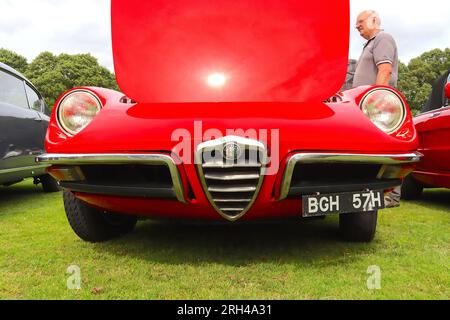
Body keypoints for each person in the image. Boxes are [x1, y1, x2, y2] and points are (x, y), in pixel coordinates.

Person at [353, 10, 399, 88]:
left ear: (374, 20)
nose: (357, 26)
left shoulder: (382, 37)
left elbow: (385, 71)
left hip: (374, 99)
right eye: (356, 24)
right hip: (363, 98)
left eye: (361, 21)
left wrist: (378, 98)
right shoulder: (370, 43)